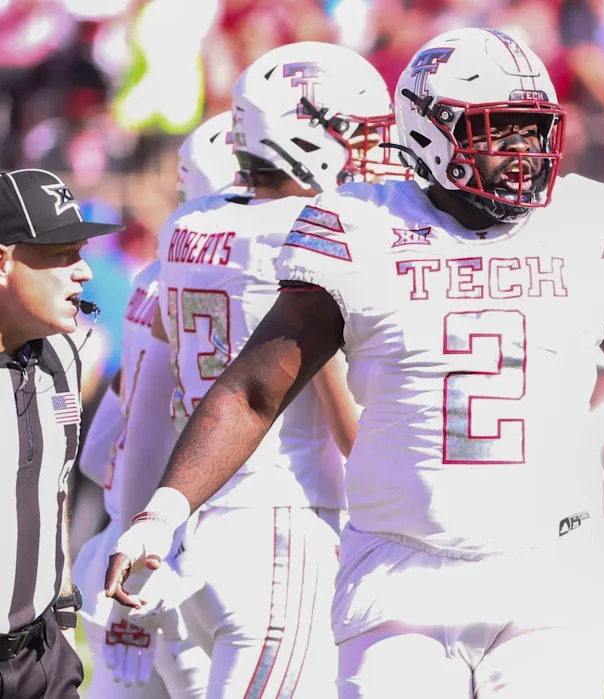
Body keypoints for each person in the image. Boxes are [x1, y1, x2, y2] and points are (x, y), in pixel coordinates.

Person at [107, 28, 604, 698]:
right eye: (496, 130)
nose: (522, 150)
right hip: (399, 568)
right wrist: (160, 511)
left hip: (552, 566)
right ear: (426, 130)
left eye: (531, 129)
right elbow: (255, 390)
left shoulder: (585, 217)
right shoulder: (359, 225)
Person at [110, 41, 402, 696]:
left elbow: (145, 402)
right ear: (305, 136)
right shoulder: (322, 230)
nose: (372, 151)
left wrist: (141, 519)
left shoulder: (188, 224)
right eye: (355, 132)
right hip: (283, 521)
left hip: (199, 516)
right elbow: (349, 423)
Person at [71, 110, 243, 699]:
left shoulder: (152, 276)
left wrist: (124, 524)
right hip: (195, 548)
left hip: (125, 544)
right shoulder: (256, 276)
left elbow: (100, 453)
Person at [0, 168, 122, 698]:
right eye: (59, 255)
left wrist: (65, 612)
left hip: (41, 655)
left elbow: (55, 487)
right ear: (3, 262)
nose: (85, 272)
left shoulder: (61, 359)